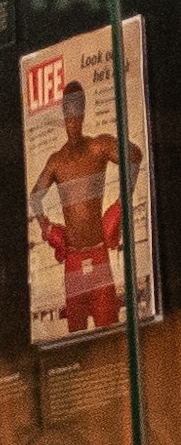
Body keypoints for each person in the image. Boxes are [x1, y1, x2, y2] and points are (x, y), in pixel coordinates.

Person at [31, 77, 135, 336]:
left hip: (99, 254)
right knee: (75, 339)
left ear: (84, 114)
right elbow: (35, 197)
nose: (73, 123)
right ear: (63, 116)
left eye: (78, 116)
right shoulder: (57, 161)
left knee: (108, 336)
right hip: (74, 260)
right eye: (69, 117)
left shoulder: (99, 147)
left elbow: (134, 156)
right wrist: (46, 228)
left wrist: (122, 204)